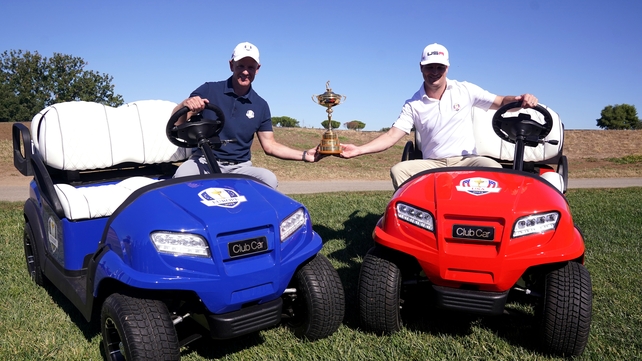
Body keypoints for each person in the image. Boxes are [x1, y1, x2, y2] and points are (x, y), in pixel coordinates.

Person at [340, 43, 540, 189]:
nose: (434, 72)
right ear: (421, 68)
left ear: (447, 68)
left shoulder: (465, 89)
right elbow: (392, 135)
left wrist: (519, 99)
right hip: (433, 164)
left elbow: (499, 101)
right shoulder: (413, 104)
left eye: (439, 67)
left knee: (494, 168)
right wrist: (358, 150)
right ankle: (418, 216)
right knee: (398, 170)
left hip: (466, 160)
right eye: (430, 67)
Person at [171, 42, 319, 189]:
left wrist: (305, 155)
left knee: (269, 179)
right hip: (203, 162)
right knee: (182, 178)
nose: (245, 72)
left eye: (250, 67)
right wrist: (186, 104)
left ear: (257, 69)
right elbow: (177, 122)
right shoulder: (209, 90)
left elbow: (270, 146)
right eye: (241, 65)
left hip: (240, 167)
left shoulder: (261, 105)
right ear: (231, 65)